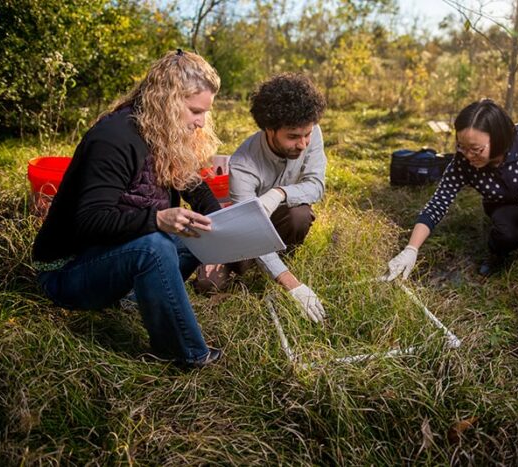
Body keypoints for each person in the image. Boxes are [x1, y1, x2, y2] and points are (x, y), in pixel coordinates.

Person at [32, 50, 224, 368]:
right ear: (168, 101)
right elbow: (89, 221)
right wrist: (158, 219)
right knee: (155, 245)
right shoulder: (113, 140)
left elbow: (197, 190)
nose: (201, 122)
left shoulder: (164, 134)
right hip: (68, 272)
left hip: (114, 258)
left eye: (204, 112)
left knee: (195, 231)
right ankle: (186, 354)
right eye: (194, 111)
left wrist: (222, 227)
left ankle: (135, 298)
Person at [383, 98, 518, 279]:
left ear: (499, 138)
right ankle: (498, 253)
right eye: (461, 146)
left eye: (476, 149)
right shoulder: (462, 162)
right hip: (505, 207)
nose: (468, 155)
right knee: (508, 232)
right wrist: (411, 248)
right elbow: (437, 204)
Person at [228, 73, 328, 322]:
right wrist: (292, 284)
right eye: (293, 137)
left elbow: (316, 186)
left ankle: (282, 259)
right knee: (212, 283)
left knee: (299, 215)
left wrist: (280, 193)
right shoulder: (242, 164)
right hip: (246, 228)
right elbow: (250, 229)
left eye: (307, 134)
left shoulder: (311, 132)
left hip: (282, 217)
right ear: (269, 129)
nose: (304, 144)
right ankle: (258, 266)